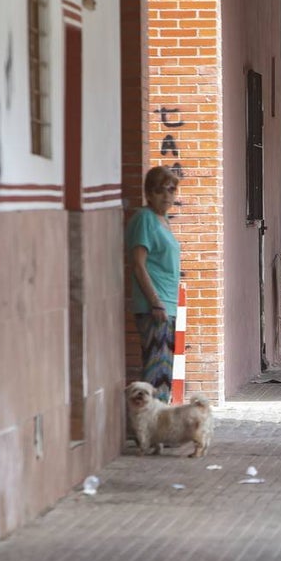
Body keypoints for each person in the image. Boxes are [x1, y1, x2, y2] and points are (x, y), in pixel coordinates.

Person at [126, 165, 181, 402]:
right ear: (149, 193)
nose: (167, 196)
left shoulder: (163, 220)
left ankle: (160, 425)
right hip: (154, 304)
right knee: (156, 366)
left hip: (167, 302)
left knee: (165, 367)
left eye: (171, 190)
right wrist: (155, 302)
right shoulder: (145, 219)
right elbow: (138, 264)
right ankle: (149, 425)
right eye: (160, 191)